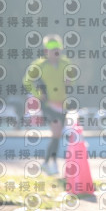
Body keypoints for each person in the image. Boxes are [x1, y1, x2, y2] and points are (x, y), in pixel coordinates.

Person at [22, 35, 70, 175]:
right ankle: (52, 164)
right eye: (53, 50)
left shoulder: (65, 63)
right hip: (47, 104)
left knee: (57, 134)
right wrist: (37, 94)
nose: (56, 52)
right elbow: (26, 81)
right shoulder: (39, 65)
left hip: (62, 104)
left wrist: (69, 81)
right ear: (46, 51)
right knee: (56, 130)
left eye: (58, 49)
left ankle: (47, 163)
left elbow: (71, 81)